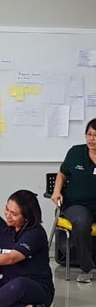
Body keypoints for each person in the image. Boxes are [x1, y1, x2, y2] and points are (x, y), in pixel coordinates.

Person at [51, 119, 96, 282]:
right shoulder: (76, 152)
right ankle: (86, 268)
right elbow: (62, 174)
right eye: (89, 134)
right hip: (78, 204)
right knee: (81, 223)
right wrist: (56, 191)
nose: (92, 139)